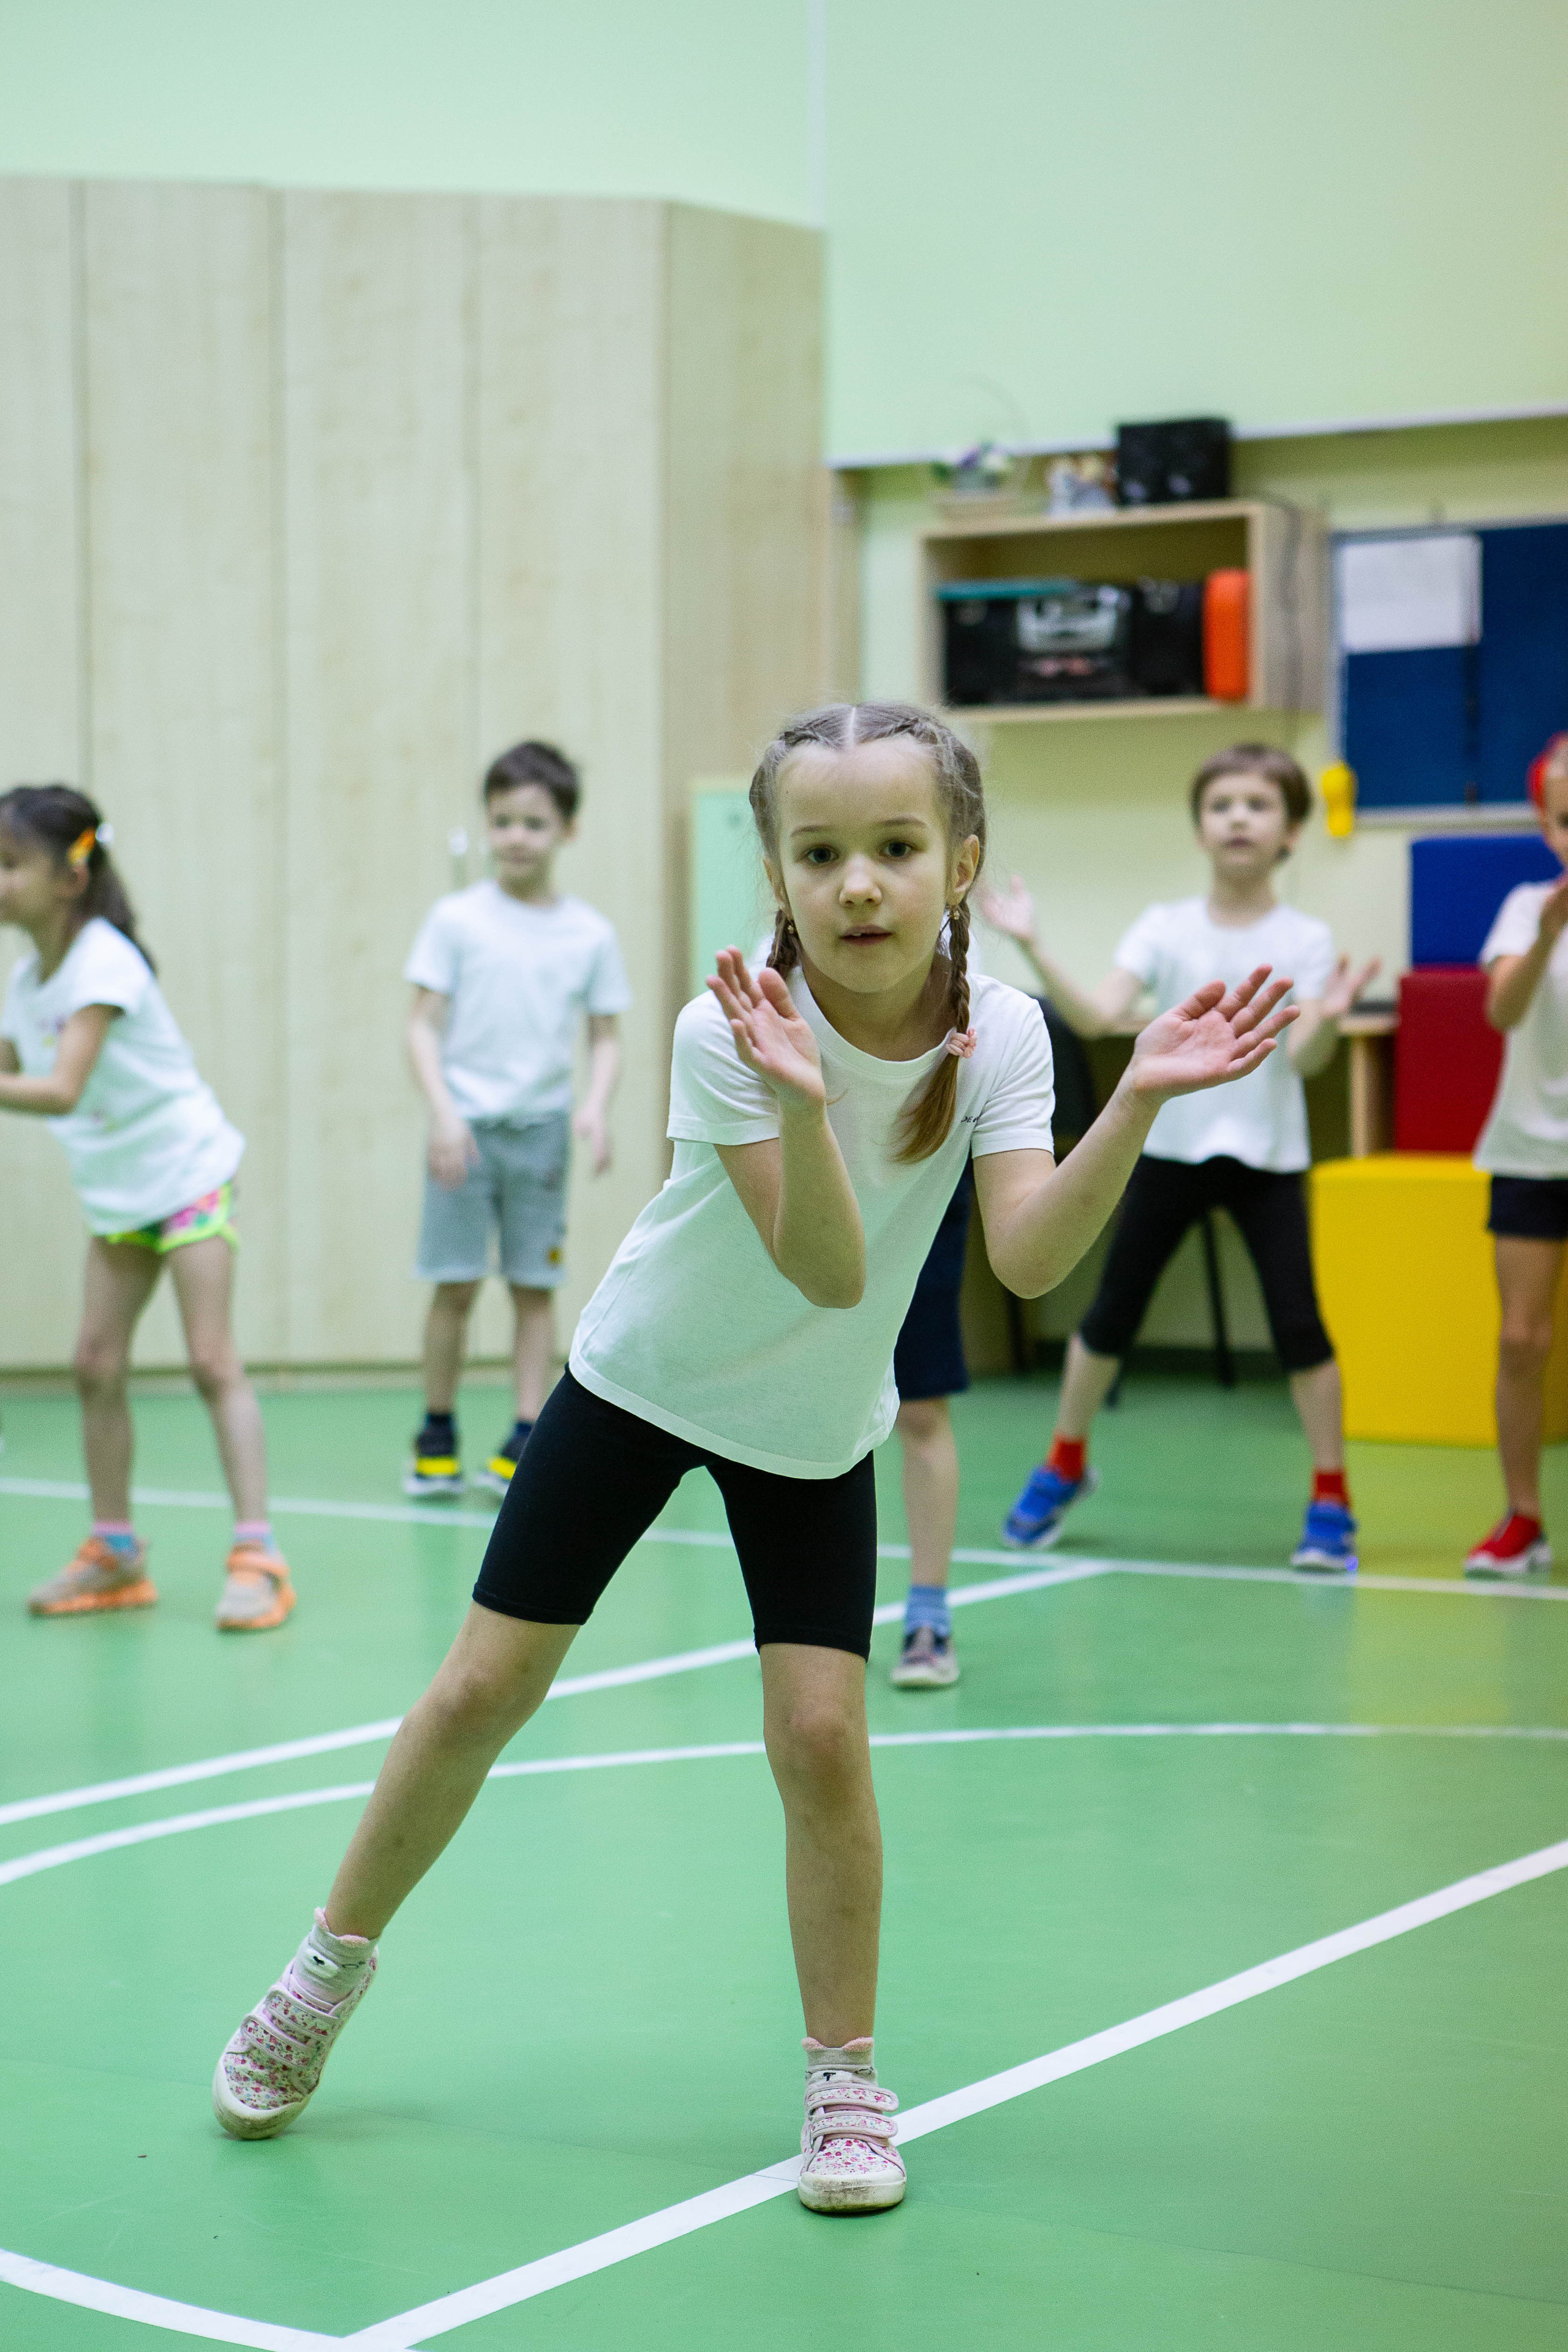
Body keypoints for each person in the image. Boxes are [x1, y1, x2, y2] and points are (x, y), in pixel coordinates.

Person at [213, 699, 1294, 2214]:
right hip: (642, 1378)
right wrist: (799, 1094)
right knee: (479, 1687)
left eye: (896, 847)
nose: (860, 881)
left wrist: (1135, 1097)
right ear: (777, 877)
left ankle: (844, 2076)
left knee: (822, 1738)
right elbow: (828, 1272)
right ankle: (321, 1972)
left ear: (961, 862)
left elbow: (1031, 1257)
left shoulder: (1002, 1039)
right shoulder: (727, 1027)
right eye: (822, 851)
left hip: (804, 1426)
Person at [984, 742, 1376, 1574]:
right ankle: (1064, 1461)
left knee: (1301, 1328)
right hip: (1168, 1150)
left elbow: (1305, 1060)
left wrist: (1332, 1018)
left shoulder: (1304, 938)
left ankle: (1332, 1497)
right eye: (1222, 803)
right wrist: (1033, 944)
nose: (1239, 816)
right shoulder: (1165, 926)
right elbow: (1097, 1020)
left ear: (1291, 833)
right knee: (1111, 1315)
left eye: (1259, 805)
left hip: (1267, 1160)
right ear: (1201, 827)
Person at [0, 785, 293, 1630]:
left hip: (188, 1173)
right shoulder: (28, 978)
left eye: (10, 863)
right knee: (94, 1363)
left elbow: (58, 1088)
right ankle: (115, 1554)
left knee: (210, 1360)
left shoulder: (105, 959)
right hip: (118, 1191)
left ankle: (259, 1554)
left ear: (69, 876)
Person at [402, 741, 630, 1498]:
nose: (515, 838)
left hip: (540, 1134)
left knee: (533, 1287)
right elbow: (421, 1026)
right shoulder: (455, 920)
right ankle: (436, 1430)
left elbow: (605, 1036)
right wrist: (442, 1113)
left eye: (534, 823)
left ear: (566, 829)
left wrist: (594, 1108)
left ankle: (527, 1429)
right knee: (455, 1285)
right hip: (462, 1131)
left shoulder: (589, 934)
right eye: (502, 821)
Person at [1466, 733, 1568, 1578]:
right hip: (1532, 1153)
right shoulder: (1525, 908)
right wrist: (1544, 937)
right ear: (1547, 825)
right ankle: (1524, 1520)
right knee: (1522, 1341)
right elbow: (1502, 1011)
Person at [888, 1169, 972, 1687]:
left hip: (922, 1171)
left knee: (919, 1410)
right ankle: (801, 1624)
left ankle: (928, 1618)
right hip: (820, 1161)